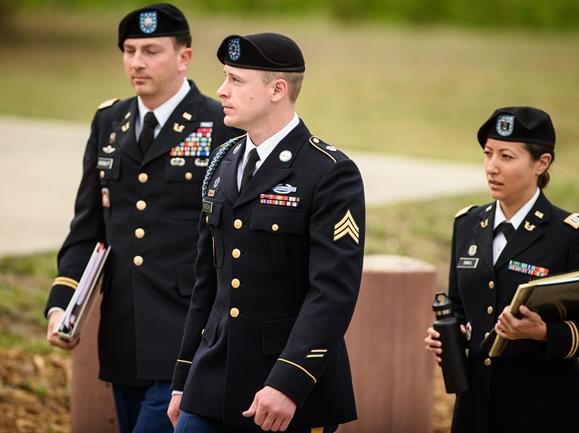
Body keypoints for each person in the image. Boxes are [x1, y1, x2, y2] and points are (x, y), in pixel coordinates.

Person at [44, 4, 238, 433]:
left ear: (184, 57)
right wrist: (62, 306)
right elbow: (88, 228)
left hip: (187, 330)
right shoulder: (109, 121)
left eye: (151, 51)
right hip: (123, 331)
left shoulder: (220, 124)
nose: (136, 62)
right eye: (129, 51)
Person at [166, 33, 365, 433]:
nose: (222, 90)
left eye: (236, 80)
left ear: (277, 90)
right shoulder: (223, 162)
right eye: (225, 77)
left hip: (285, 386)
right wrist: (183, 379)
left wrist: (288, 383)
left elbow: (332, 294)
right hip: (212, 378)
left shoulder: (329, 172)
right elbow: (206, 282)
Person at [425, 106, 579, 433]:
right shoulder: (468, 223)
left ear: (541, 163)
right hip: (475, 410)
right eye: (488, 154)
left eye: (506, 156)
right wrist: (451, 333)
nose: (492, 167)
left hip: (542, 411)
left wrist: (542, 333)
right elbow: (460, 306)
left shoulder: (570, 234)